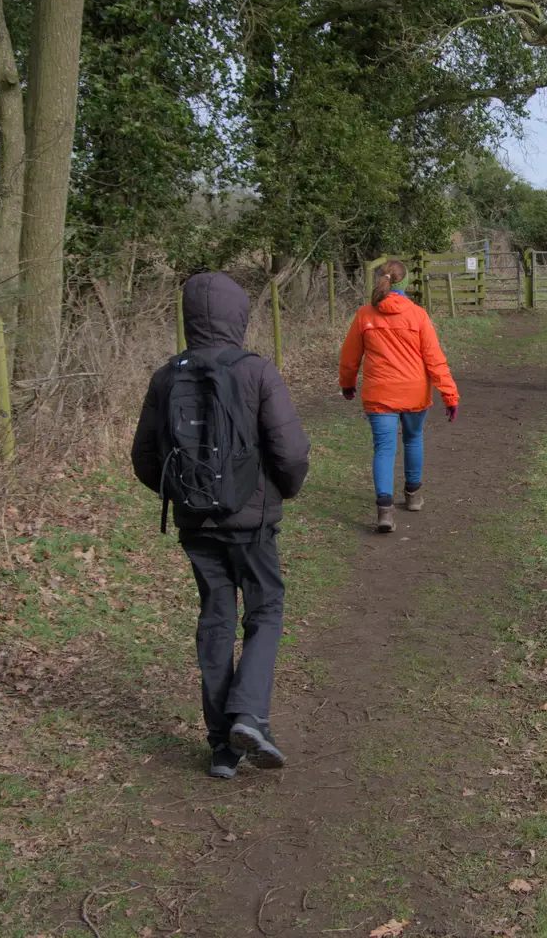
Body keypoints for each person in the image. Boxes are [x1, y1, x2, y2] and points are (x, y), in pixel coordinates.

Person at [131, 272, 311, 779]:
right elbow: (291, 452)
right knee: (266, 609)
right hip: (251, 525)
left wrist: (185, 497)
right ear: (239, 315)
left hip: (196, 525)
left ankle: (221, 747)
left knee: (215, 618)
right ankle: (249, 715)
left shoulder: (167, 376)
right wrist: (279, 493)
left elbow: (144, 458)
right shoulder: (256, 371)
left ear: (189, 318)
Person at [338, 259, 460, 533]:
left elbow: (349, 358)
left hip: (379, 394)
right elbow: (435, 360)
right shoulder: (418, 315)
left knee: (383, 449)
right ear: (405, 285)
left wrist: (347, 384)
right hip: (415, 392)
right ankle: (413, 495)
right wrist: (450, 396)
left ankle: (384, 510)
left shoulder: (365, 316)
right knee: (413, 439)